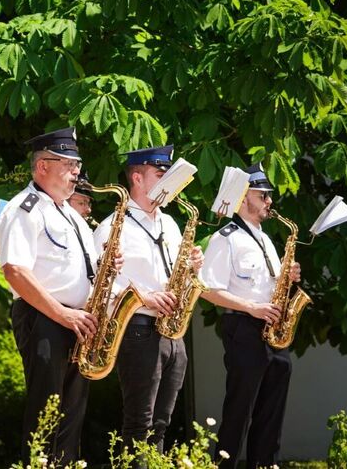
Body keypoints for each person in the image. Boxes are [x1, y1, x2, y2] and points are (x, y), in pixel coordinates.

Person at [0, 127, 102, 465]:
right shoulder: (25, 208)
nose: (77, 173)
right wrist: (62, 314)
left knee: (71, 415)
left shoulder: (70, 215)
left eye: (77, 165)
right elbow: (15, 270)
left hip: (75, 320)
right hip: (45, 318)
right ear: (42, 166)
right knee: (46, 411)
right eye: (69, 165)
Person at [93, 146, 203, 465]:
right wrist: (145, 297)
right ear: (137, 178)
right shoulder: (112, 226)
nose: (168, 182)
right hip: (137, 328)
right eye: (159, 174)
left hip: (172, 331)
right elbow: (99, 286)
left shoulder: (170, 224)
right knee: (139, 423)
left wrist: (193, 267)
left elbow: (177, 275)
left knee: (161, 423)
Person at [200, 163, 302, 469]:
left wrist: (288, 277)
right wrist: (251, 307)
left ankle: (265, 464)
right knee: (239, 411)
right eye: (263, 195)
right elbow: (207, 290)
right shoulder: (225, 238)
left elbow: (268, 286)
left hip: (272, 330)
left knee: (271, 412)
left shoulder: (266, 239)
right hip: (244, 328)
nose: (270, 201)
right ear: (244, 197)